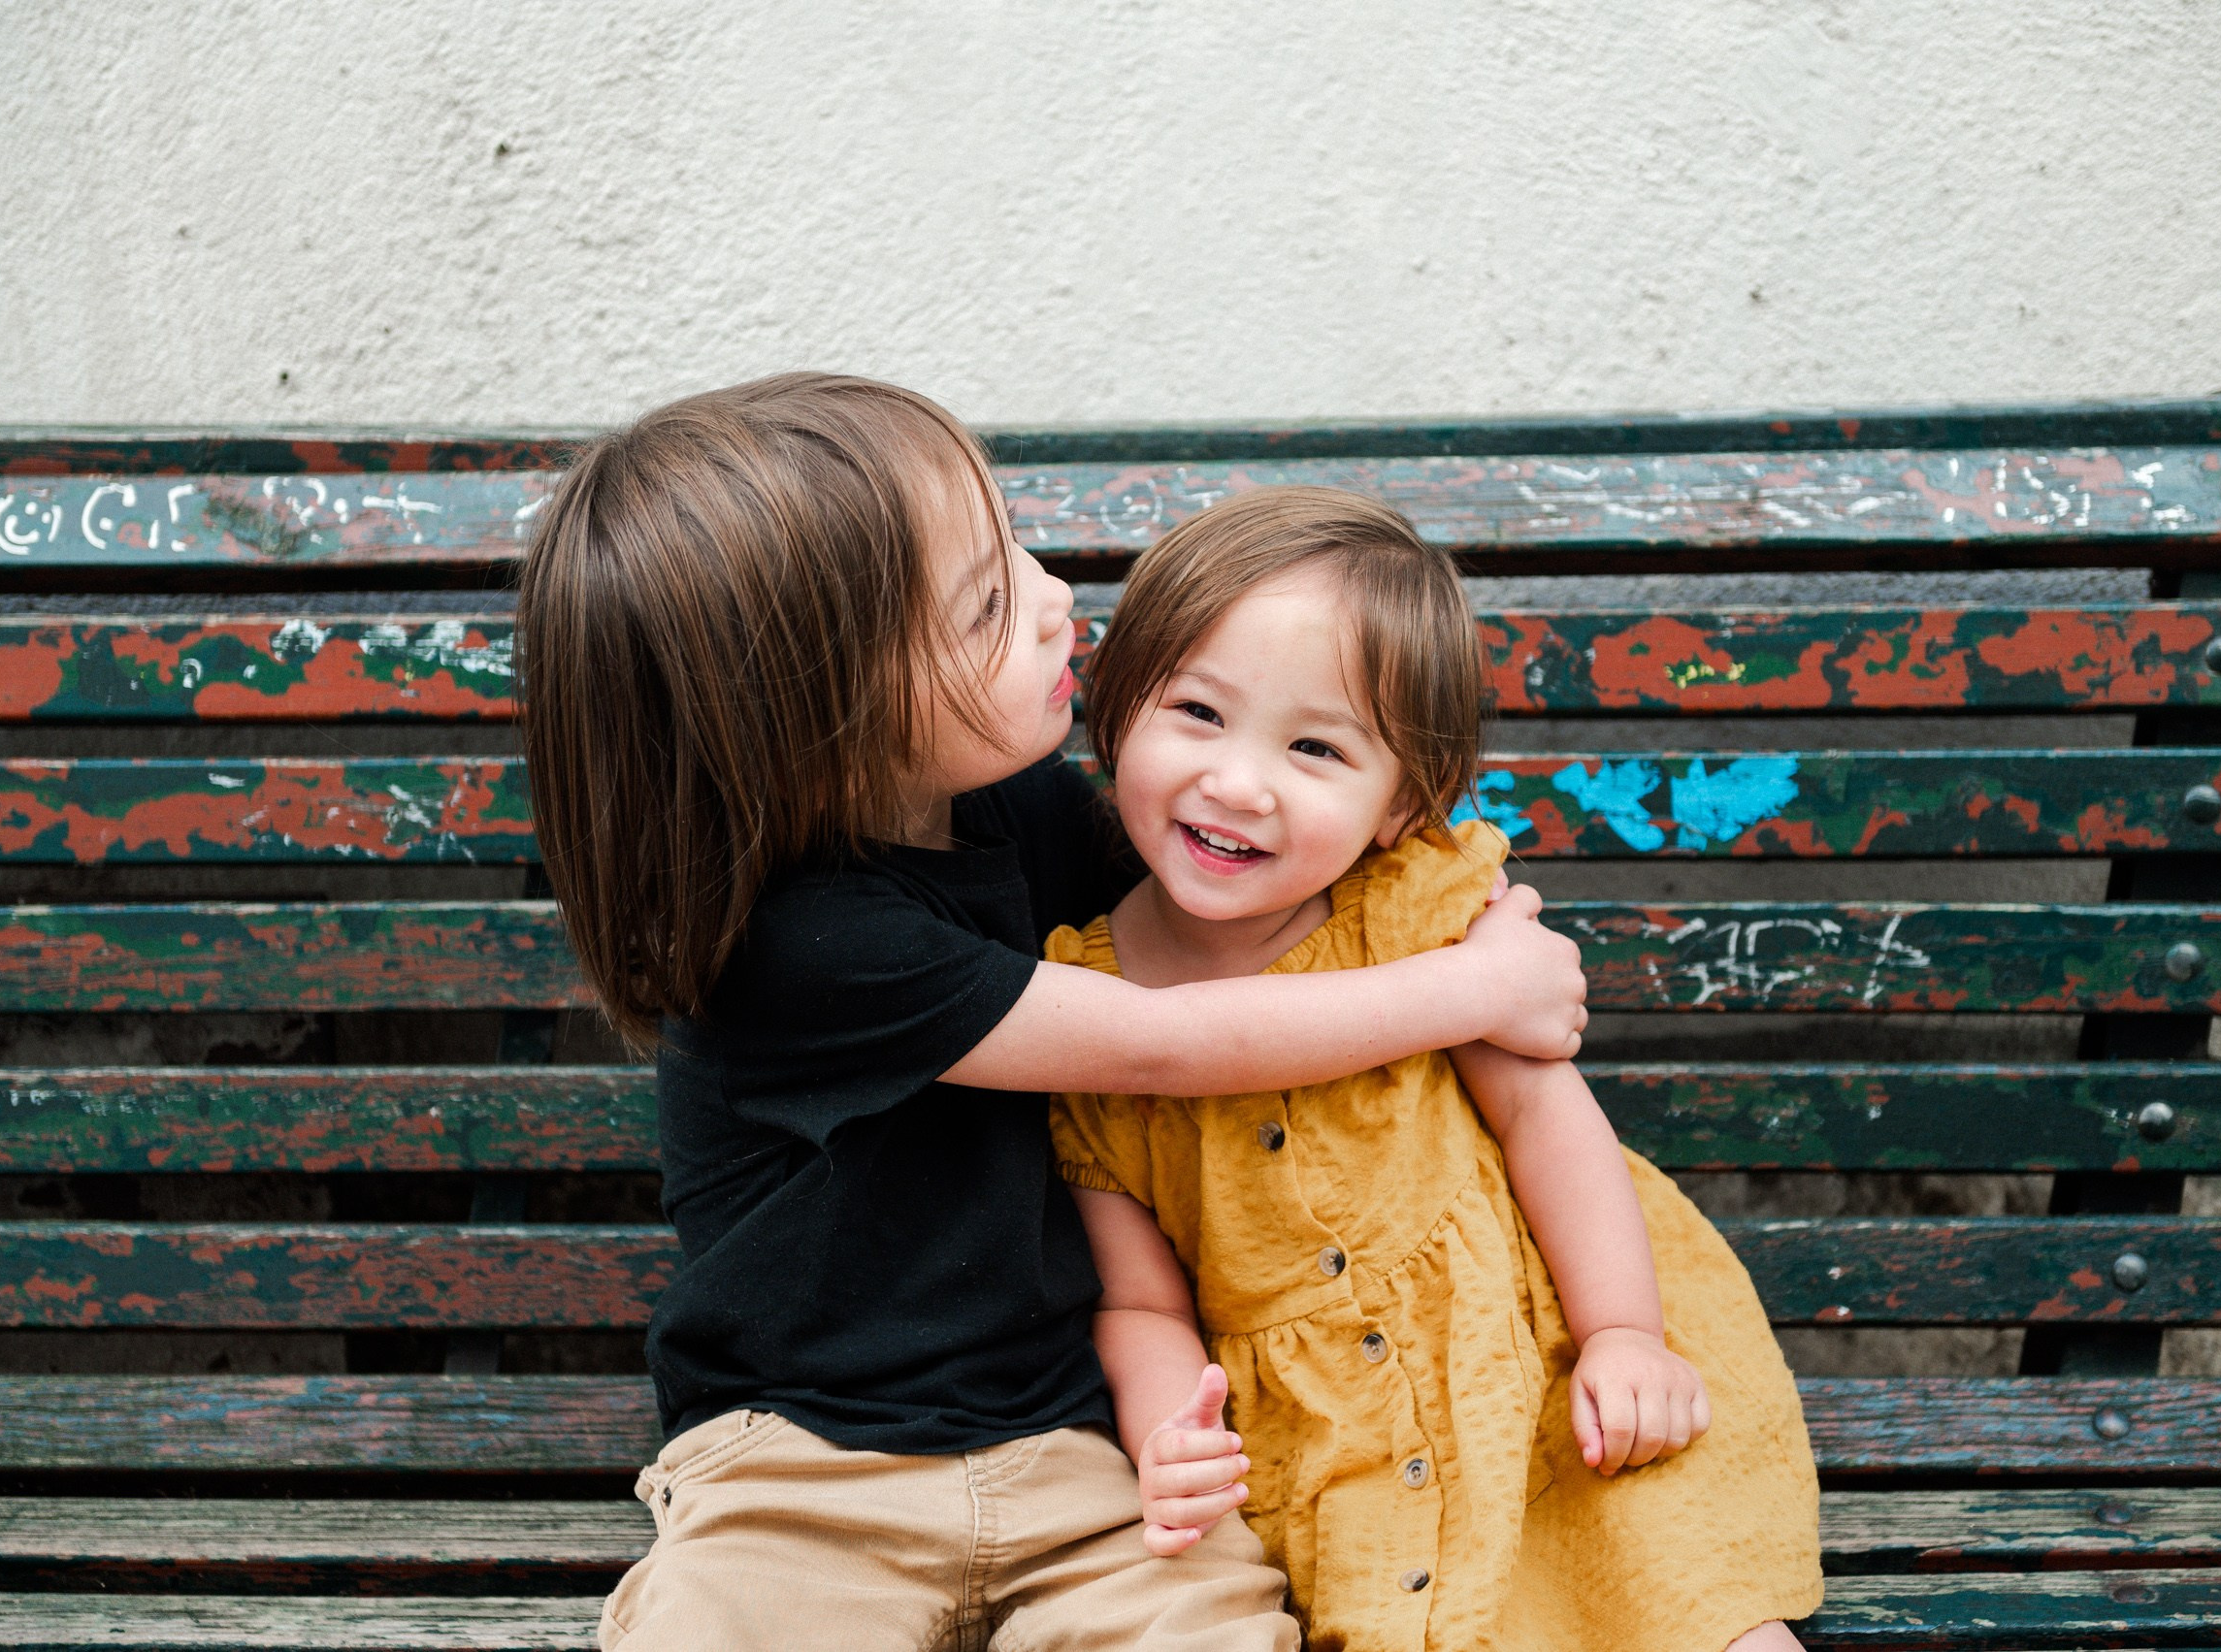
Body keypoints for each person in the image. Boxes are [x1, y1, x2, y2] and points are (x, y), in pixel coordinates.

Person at [514, 374, 1594, 1651]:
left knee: (1211, 1629)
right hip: (800, 1467)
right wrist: (1465, 988)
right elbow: (1162, 1039)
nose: (1054, 597)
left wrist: (1440, 901)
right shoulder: (799, 942)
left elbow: (1233, 927)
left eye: (1013, 543)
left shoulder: (1009, 805)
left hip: (1077, 1441)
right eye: (986, 602)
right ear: (822, 712)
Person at [1050, 487, 1824, 1652]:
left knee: (1687, 1606)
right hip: (1334, 1436)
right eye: (1198, 712)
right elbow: (1139, 1294)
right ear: (1118, 705)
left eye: (1314, 747)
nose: (1239, 782)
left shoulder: (1415, 915)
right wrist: (1172, 1431)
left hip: (1538, 1365)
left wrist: (1622, 1330)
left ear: (1398, 801)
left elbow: (1545, 1118)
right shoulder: (1086, 1006)